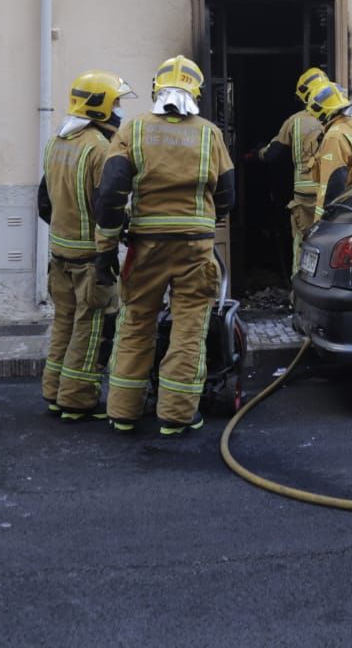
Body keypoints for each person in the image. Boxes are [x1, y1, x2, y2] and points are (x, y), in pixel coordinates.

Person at [93, 55, 234, 436]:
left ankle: (122, 411)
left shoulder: (135, 130)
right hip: (195, 249)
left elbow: (109, 194)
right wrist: (205, 221)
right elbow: (228, 195)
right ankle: (176, 415)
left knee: (136, 322)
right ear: (196, 92)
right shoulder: (209, 133)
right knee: (189, 328)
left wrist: (105, 248)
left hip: (146, 248)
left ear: (157, 90)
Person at [37, 70, 134, 421]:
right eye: (118, 102)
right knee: (91, 326)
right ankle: (77, 400)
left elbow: (43, 204)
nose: (121, 109)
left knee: (63, 322)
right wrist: (116, 238)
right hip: (89, 258)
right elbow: (107, 206)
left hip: (59, 254)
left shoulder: (56, 143)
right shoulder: (100, 148)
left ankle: (53, 390)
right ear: (102, 106)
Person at [256, 67, 325, 274]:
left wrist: (258, 152)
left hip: (304, 199)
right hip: (331, 195)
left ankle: (299, 293)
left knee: (302, 244)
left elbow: (273, 155)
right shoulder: (336, 120)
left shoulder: (295, 121)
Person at [306, 79, 352, 220]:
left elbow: (334, 184)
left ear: (323, 111)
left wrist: (325, 222)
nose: (315, 117)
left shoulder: (334, 137)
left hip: (338, 217)